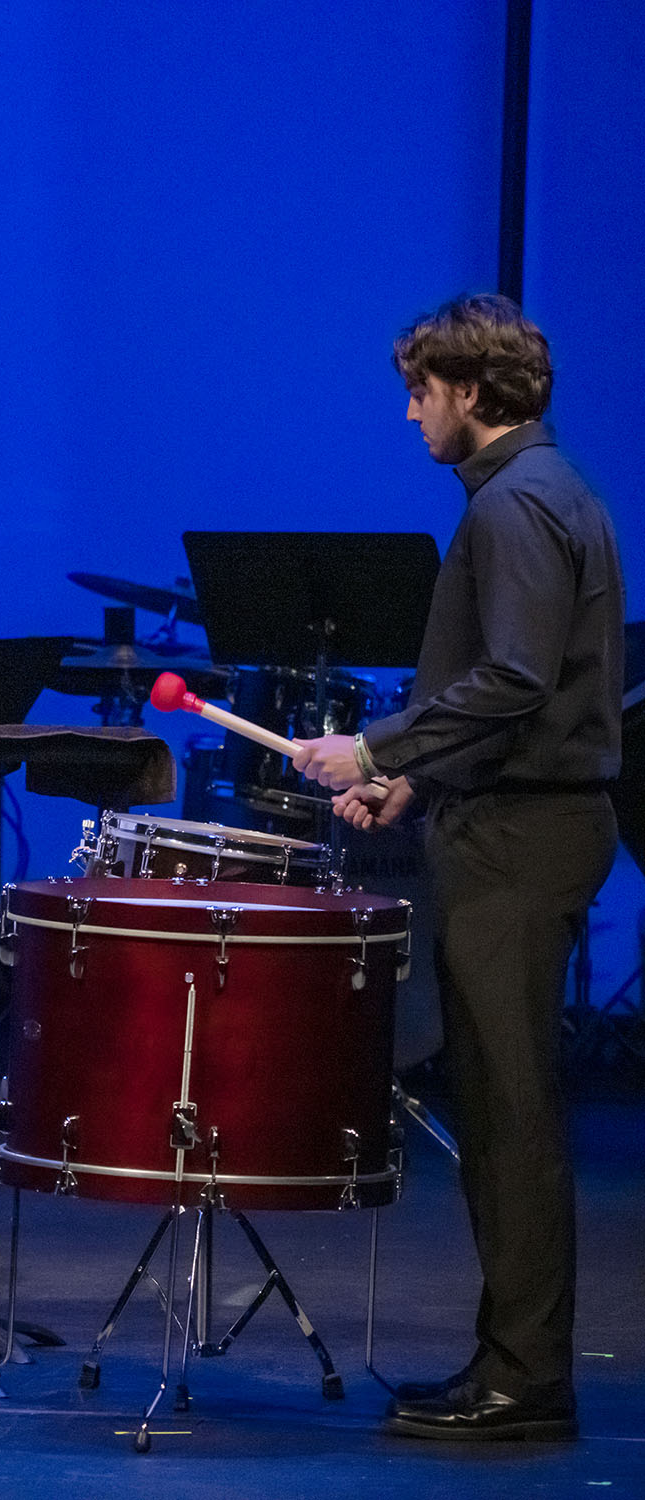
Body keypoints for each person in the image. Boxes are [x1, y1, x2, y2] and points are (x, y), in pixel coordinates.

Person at [294, 294, 621, 1442]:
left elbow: (519, 678)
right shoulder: (535, 491)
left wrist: (379, 744)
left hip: (525, 844)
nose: (410, 413)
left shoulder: (519, 504)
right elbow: (512, 689)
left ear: (471, 394)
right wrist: (420, 783)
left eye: (420, 391)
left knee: (513, 1119)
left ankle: (525, 1382)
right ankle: (511, 1362)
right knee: (494, 1110)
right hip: (511, 821)